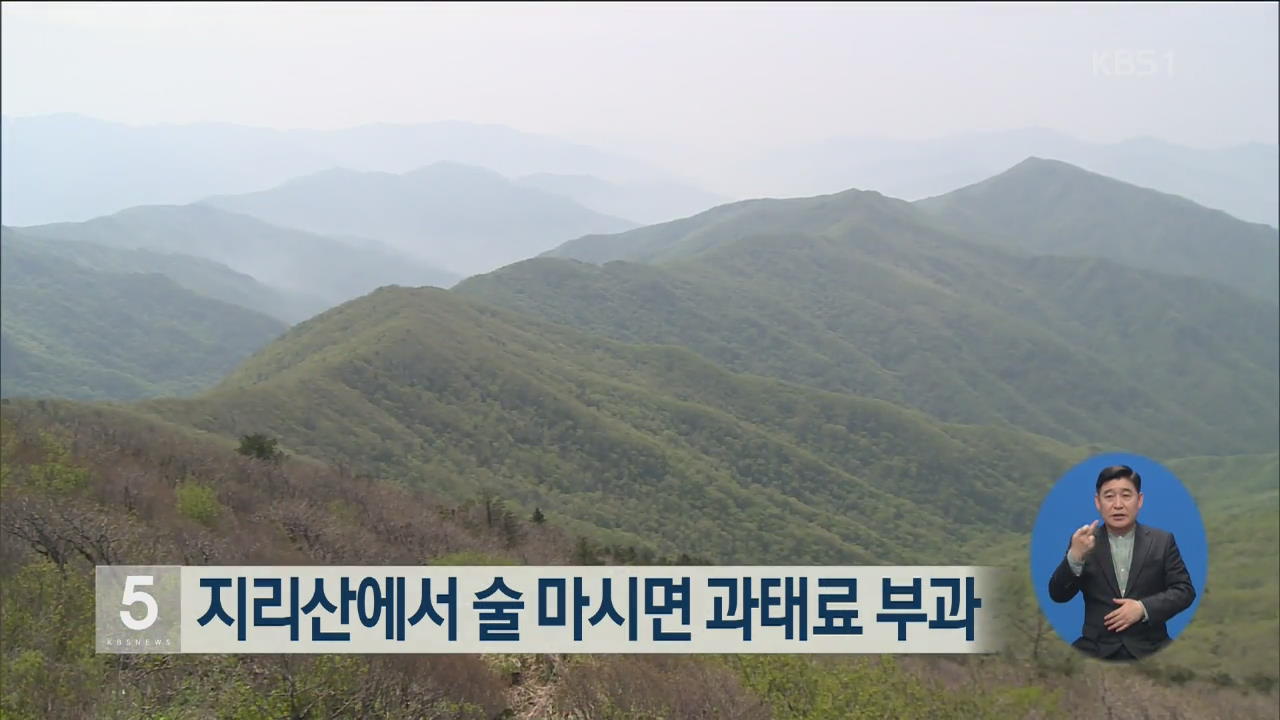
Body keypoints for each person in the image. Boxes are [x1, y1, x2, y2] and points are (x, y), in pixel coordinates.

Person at [1047, 464, 1195, 660]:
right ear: (1098, 502)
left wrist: (1142, 608)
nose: (1118, 505)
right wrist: (1075, 557)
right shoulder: (1083, 542)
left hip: (1152, 647)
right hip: (1096, 649)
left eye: (1126, 495)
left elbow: (1184, 591)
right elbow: (1058, 594)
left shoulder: (1162, 541)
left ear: (1139, 500)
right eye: (1109, 497)